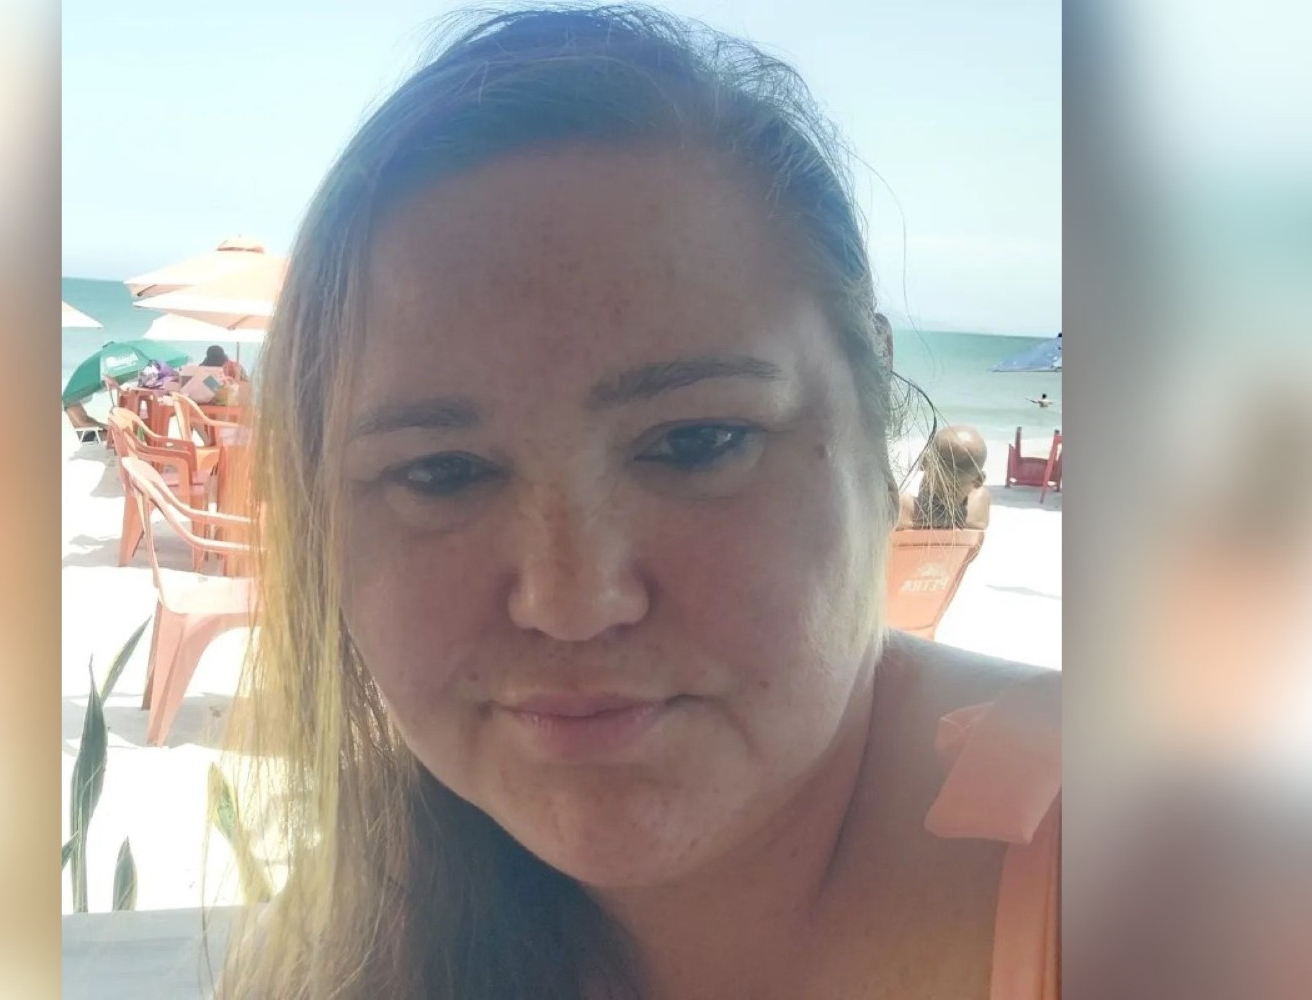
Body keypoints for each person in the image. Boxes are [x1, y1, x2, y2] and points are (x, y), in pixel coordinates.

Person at [223, 8, 1059, 1000]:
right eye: (443, 472)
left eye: (696, 443)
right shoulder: (339, 947)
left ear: (873, 411)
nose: (572, 602)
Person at [898, 424, 993, 530]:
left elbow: (904, 511)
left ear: (923, 462)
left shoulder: (903, 509)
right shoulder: (979, 504)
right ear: (979, 480)